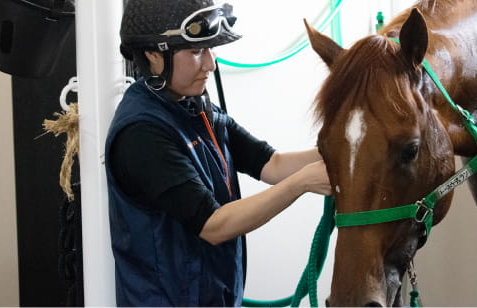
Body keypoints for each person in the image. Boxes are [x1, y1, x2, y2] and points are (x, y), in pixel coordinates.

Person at [105, 0, 331, 306]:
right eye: (197, 51)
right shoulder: (142, 134)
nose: (210, 64)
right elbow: (213, 225)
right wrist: (302, 183)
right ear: (153, 54)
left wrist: (345, 148)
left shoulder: (196, 109)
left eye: (210, 49)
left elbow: (272, 164)